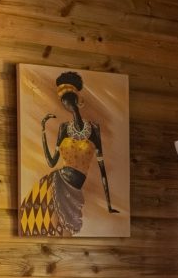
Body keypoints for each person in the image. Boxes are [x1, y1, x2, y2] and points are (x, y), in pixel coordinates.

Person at [27, 70, 115, 237]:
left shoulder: (94, 129)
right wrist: (43, 131)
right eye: (64, 102)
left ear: (74, 100)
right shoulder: (64, 128)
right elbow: (52, 162)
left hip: (75, 186)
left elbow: (102, 169)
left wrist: (109, 204)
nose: (66, 104)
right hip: (59, 181)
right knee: (52, 225)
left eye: (67, 101)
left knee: (66, 229)